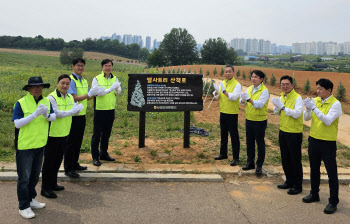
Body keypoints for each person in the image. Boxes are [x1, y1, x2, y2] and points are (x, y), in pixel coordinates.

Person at [12, 76, 56, 219]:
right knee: (24, 177)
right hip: (25, 146)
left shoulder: (46, 101)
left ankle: (31, 199)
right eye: (35, 86)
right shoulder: (21, 103)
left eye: (40, 86)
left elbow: (53, 117)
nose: (38, 88)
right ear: (29, 89)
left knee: (35, 176)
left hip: (40, 144)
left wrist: (47, 114)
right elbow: (17, 123)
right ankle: (23, 206)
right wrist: (35, 114)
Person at [302, 78, 342, 214]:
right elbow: (306, 118)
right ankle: (314, 194)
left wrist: (313, 108)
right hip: (314, 139)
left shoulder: (335, 104)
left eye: (320, 89)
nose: (317, 91)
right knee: (314, 169)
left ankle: (333, 201)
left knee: (331, 173)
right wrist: (307, 109)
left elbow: (327, 121)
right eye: (317, 88)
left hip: (327, 142)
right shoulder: (316, 101)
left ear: (329, 90)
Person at [41, 74, 84, 198]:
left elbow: (71, 111)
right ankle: (45, 188)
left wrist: (77, 110)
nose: (65, 86)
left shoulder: (70, 97)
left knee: (57, 161)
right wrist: (71, 112)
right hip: (52, 135)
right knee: (49, 162)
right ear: (57, 84)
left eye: (67, 84)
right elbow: (57, 113)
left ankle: (53, 184)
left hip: (64, 133)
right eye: (62, 83)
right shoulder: (51, 98)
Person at [65, 58, 101, 178]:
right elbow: (74, 97)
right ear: (73, 66)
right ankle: (68, 168)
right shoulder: (71, 80)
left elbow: (87, 97)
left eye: (82, 66)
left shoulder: (84, 81)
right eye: (78, 66)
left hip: (82, 115)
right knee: (71, 143)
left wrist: (94, 93)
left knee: (78, 142)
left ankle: (75, 164)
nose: (80, 68)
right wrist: (89, 94)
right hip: (73, 116)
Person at [272, 75, 303, 195]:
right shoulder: (282, 96)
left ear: (292, 85)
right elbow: (277, 113)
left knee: (294, 160)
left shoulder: (297, 98)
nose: (284, 86)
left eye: (287, 84)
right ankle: (289, 181)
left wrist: (283, 107)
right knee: (285, 158)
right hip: (283, 131)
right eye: (282, 84)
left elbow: (297, 114)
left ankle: (297, 185)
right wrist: (277, 107)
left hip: (294, 133)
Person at [91, 59, 121, 166]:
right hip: (100, 110)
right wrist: (111, 88)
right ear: (102, 67)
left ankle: (103, 154)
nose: (108, 68)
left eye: (110, 66)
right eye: (106, 66)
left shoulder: (115, 78)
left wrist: (117, 89)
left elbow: (118, 91)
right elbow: (97, 93)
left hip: (110, 110)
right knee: (97, 134)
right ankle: (95, 157)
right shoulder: (97, 79)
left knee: (106, 134)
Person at [240, 70, 269, 175]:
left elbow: (259, 105)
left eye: (256, 77)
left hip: (260, 121)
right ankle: (250, 163)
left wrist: (248, 99)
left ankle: (259, 165)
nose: (253, 79)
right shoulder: (249, 88)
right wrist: (243, 100)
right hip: (249, 119)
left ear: (261, 79)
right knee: (250, 142)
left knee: (260, 143)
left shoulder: (264, 91)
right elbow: (242, 101)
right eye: (252, 77)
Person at [212, 65, 241, 166]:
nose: (227, 73)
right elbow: (217, 96)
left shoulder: (237, 84)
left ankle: (236, 158)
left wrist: (224, 92)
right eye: (226, 72)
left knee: (234, 136)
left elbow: (234, 97)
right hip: (223, 112)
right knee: (223, 134)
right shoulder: (222, 83)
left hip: (232, 114)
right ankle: (223, 153)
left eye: (229, 71)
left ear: (233, 72)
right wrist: (216, 92)